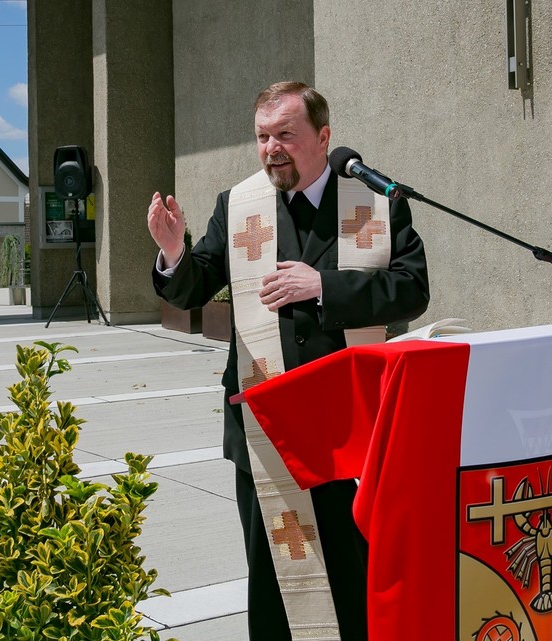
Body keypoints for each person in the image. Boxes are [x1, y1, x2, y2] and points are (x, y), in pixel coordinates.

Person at [148, 81, 429, 640]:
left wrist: (323, 285)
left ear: (324, 138)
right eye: (262, 137)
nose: (271, 148)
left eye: (285, 134)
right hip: (265, 428)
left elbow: (411, 289)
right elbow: (193, 286)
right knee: (276, 581)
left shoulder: (375, 201)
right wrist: (175, 251)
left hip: (350, 429)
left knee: (355, 575)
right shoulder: (238, 205)